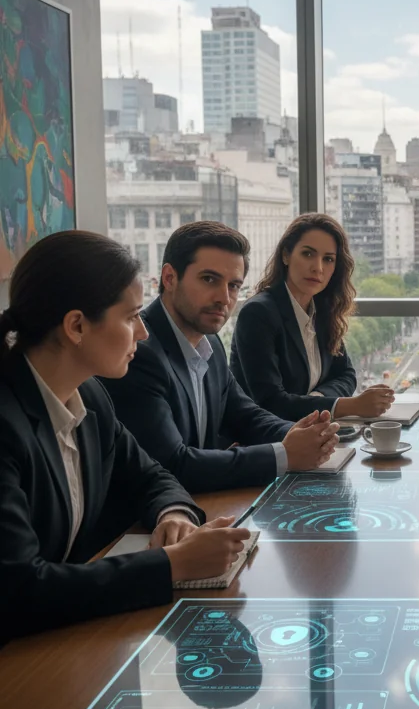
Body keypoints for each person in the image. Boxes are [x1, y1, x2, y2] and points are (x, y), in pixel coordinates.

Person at [0, 232, 251, 639]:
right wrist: (175, 563)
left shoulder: (90, 395)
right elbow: (20, 589)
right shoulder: (7, 424)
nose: (143, 332)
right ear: (77, 326)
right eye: (132, 317)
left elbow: (153, 475)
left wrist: (174, 514)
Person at [102, 222, 339, 495]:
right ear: (169, 278)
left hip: (202, 505)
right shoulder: (140, 351)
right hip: (144, 522)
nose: (224, 298)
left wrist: (303, 433)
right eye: (209, 279)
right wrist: (283, 454)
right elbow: (171, 464)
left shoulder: (209, 341)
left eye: (234, 285)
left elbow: (242, 415)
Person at [230, 213, 394, 421]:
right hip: (265, 443)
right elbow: (271, 403)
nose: (318, 267)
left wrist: (314, 400)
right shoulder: (258, 314)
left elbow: (346, 375)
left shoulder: (322, 309)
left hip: (313, 432)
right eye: (308, 254)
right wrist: (351, 405)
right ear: (286, 255)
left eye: (328, 259)